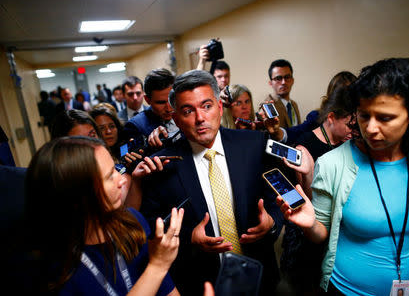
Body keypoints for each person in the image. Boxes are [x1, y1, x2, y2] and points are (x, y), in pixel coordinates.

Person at [278, 58, 409, 295]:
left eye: (385, 117)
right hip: (347, 290)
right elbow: (321, 234)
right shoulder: (333, 163)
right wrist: (310, 224)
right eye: (364, 115)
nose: (370, 128)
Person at [136, 70, 283, 296]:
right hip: (199, 282)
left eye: (206, 106)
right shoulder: (163, 165)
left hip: (258, 275)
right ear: (176, 119)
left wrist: (272, 222)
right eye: (188, 111)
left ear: (220, 108)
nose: (200, 118)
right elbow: (152, 226)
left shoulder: (254, 144)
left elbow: (276, 198)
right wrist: (188, 238)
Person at [25, 136, 183, 295]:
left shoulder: (133, 223)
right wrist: (157, 267)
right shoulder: (56, 271)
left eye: (115, 169)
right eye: (109, 176)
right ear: (78, 194)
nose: (121, 180)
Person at [279, 72, 356, 295]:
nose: (354, 131)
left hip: (342, 236)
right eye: (349, 125)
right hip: (310, 237)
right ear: (331, 117)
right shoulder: (304, 147)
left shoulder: (350, 143)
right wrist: (310, 170)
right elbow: (309, 205)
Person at [124, 68, 179, 150]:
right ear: (147, 100)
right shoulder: (135, 126)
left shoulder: (185, 114)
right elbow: (126, 156)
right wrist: (147, 145)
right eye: (161, 102)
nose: (169, 108)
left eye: (171, 100)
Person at [262, 59, 300, 129]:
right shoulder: (268, 105)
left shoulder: (294, 105)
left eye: (287, 77)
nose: (283, 82)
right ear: (270, 83)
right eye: (278, 78)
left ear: (292, 80)